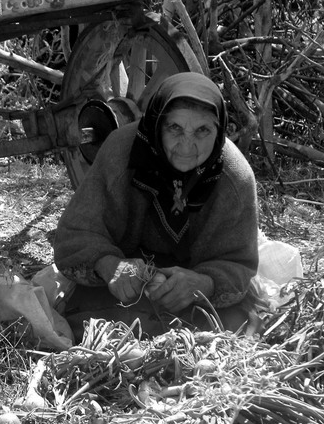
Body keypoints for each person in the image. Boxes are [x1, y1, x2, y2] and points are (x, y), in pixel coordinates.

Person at [54, 72, 261, 341]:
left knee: (231, 337)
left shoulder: (235, 177)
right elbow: (75, 235)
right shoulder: (121, 152)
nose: (187, 146)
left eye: (203, 130)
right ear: (156, 124)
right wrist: (111, 267)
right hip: (121, 292)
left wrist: (204, 283)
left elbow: (240, 264)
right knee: (96, 331)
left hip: (196, 299)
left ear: (220, 130)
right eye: (174, 128)